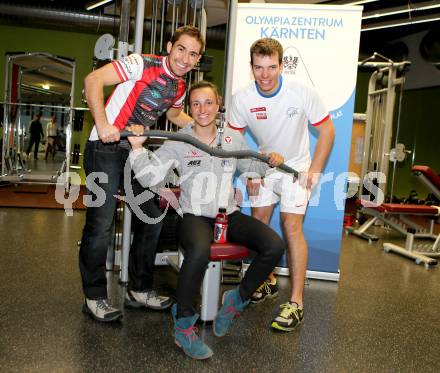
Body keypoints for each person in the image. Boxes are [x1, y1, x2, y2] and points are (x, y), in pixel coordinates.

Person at [128, 81, 286, 359]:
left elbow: (251, 165)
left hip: (228, 214)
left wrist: (269, 161)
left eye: (208, 102)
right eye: (196, 103)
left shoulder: (232, 140)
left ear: (218, 104)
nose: (202, 109)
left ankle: (236, 301)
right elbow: (151, 176)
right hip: (194, 216)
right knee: (199, 252)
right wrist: (139, 149)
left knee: (274, 245)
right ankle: (184, 326)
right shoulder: (179, 140)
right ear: (190, 108)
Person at [80, 25, 204, 323]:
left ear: (198, 60)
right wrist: (104, 123)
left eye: (193, 54)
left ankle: (139, 288)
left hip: (134, 153)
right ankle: (94, 296)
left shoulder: (179, 86)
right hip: (106, 148)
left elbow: (173, 114)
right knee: (102, 224)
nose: (185, 59)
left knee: (153, 214)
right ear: (169, 45)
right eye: (181, 49)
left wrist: (202, 128)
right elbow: (92, 79)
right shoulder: (140, 63)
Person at [228, 38, 335, 332]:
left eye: (271, 67)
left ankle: (297, 302)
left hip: (295, 168)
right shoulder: (243, 98)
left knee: (291, 226)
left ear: (281, 64)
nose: (265, 74)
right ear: (252, 67)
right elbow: (235, 140)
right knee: (258, 225)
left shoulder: (301, 93)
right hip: (263, 166)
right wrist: (250, 173)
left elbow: (326, 130)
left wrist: (314, 171)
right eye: (259, 68)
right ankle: (267, 280)